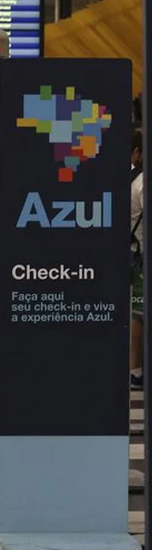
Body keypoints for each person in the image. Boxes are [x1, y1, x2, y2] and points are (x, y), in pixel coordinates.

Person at [130, 131, 144, 391]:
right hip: (139, 255)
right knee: (138, 313)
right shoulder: (141, 182)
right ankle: (135, 370)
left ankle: (135, 370)